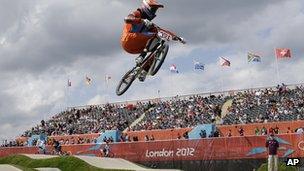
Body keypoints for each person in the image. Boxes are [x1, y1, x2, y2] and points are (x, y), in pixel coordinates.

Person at [120, 0, 164, 82]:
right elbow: (126, 19)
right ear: (147, 7)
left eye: (155, 10)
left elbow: (162, 30)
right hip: (128, 38)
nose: (154, 11)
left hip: (133, 46)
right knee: (154, 35)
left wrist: (178, 38)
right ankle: (141, 57)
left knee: (156, 48)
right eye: (153, 9)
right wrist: (142, 21)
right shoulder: (137, 13)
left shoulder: (150, 24)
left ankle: (143, 71)